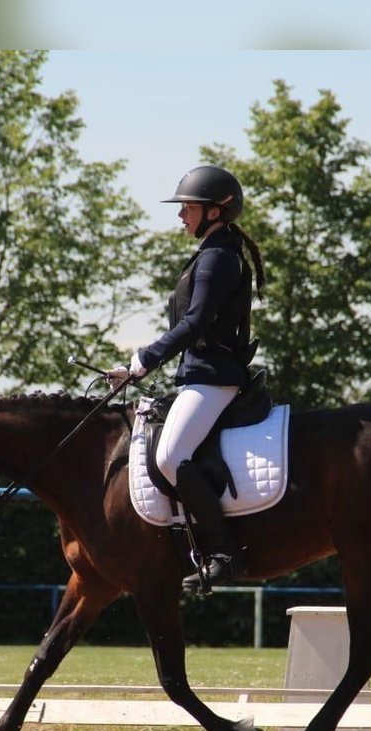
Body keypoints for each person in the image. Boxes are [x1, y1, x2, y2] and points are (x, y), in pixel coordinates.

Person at [108, 165, 266, 590]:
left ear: (216, 211)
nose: (181, 216)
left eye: (188, 208)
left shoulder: (218, 257)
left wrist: (143, 360)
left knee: (170, 455)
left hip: (214, 378)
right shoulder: (212, 252)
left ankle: (224, 553)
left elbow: (195, 324)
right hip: (198, 376)